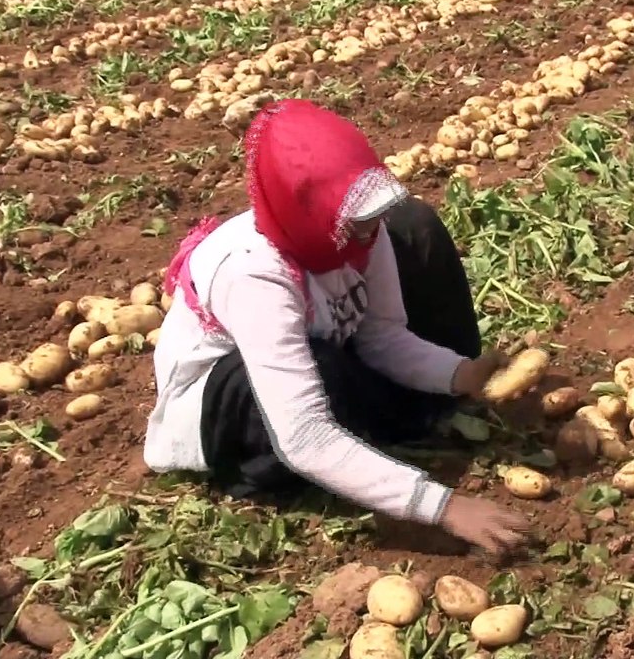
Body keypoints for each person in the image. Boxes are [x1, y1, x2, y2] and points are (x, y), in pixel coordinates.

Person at [143, 98, 530, 555]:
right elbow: (303, 435)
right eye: (359, 221)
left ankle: (399, 423)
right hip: (237, 410)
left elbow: (382, 336)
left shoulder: (355, 229)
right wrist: (443, 507)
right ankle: (344, 455)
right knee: (320, 369)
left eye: (369, 215)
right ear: (308, 211)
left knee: (414, 226)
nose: (372, 228)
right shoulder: (253, 273)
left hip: (328, 355)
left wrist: (460, 373)